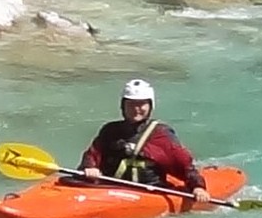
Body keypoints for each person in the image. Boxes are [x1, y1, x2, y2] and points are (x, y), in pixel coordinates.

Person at [80, 79, 212, 205]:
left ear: (150, 106)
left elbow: (184, 164)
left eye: (141, 104)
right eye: (131, 104)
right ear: (123, 106)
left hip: (150, 191)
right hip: (110, 189)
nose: (136, 108)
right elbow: (93, 154)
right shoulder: (110, 130)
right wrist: (90, 167)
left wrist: (197, 186)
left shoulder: (161, 135)